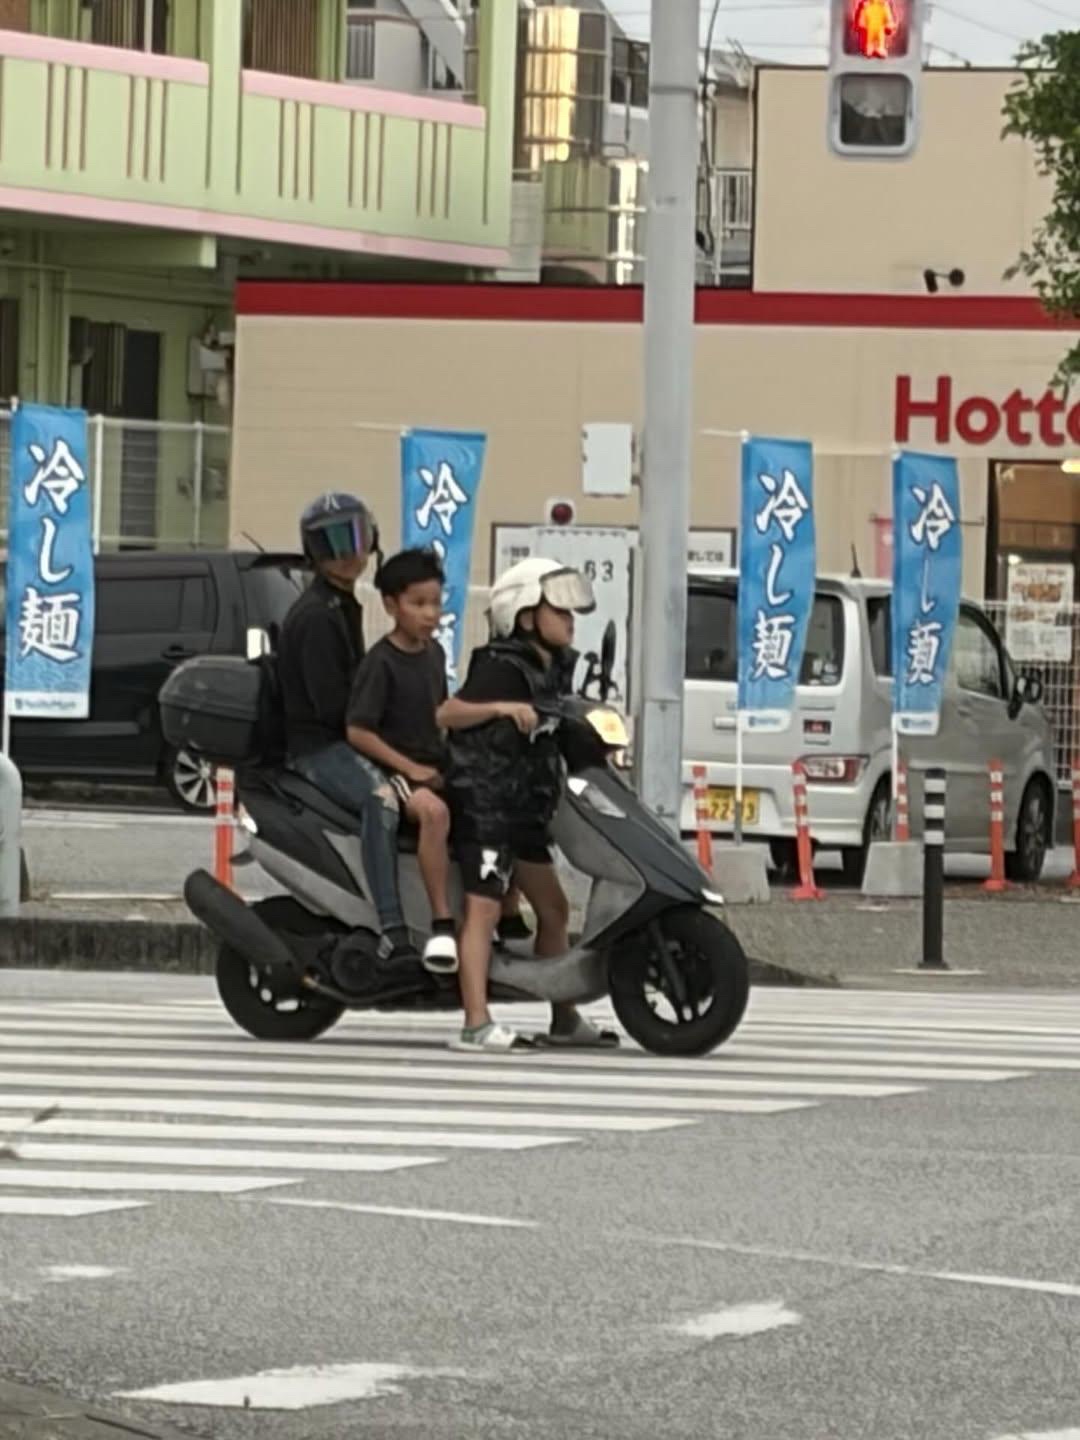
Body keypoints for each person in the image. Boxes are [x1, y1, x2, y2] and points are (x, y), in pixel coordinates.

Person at [440, 558, 619, 1053]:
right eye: (557, 610)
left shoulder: (551, 666)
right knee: (482, 910)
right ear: (523, 616)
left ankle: (564, 1018)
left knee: (554, 908)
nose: (569, 620)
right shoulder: (501, 666)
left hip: (525, 810)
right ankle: (476, 1023)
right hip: (487, 805)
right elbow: (448, 712)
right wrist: (500, 708)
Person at [276, 493, 420, 992]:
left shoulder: (340, 603)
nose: (346, 553)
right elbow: (332, 708)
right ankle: (392, 928)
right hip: (317, 748)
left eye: (354, 538)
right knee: (383, 799)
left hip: (339, 735)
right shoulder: (318, 615)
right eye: (331, 543)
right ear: (312, 551)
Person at [346, 548, 459, 976]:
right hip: (396, 773)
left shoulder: (434, 655)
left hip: (435, 764)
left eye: (436, 602)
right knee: (434, 813)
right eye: (419, 603)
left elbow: (441, 712)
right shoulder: (380, 662)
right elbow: (358, 731)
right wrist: (409, 770)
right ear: (391, 605)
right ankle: (442, 923)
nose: (431, 614)